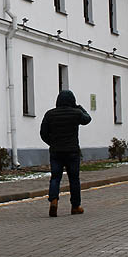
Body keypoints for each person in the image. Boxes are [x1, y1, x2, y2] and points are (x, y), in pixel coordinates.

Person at [39, 89, 92, 217]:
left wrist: (52, 143)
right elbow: (87, 119)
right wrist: (79, 107)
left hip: (56, 152)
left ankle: (54, 201)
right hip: (72, 151)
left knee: (55, 178)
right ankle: (75, 206)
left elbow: (43, 133)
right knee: (74, 179)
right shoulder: (76, 113)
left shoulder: (50, 114)